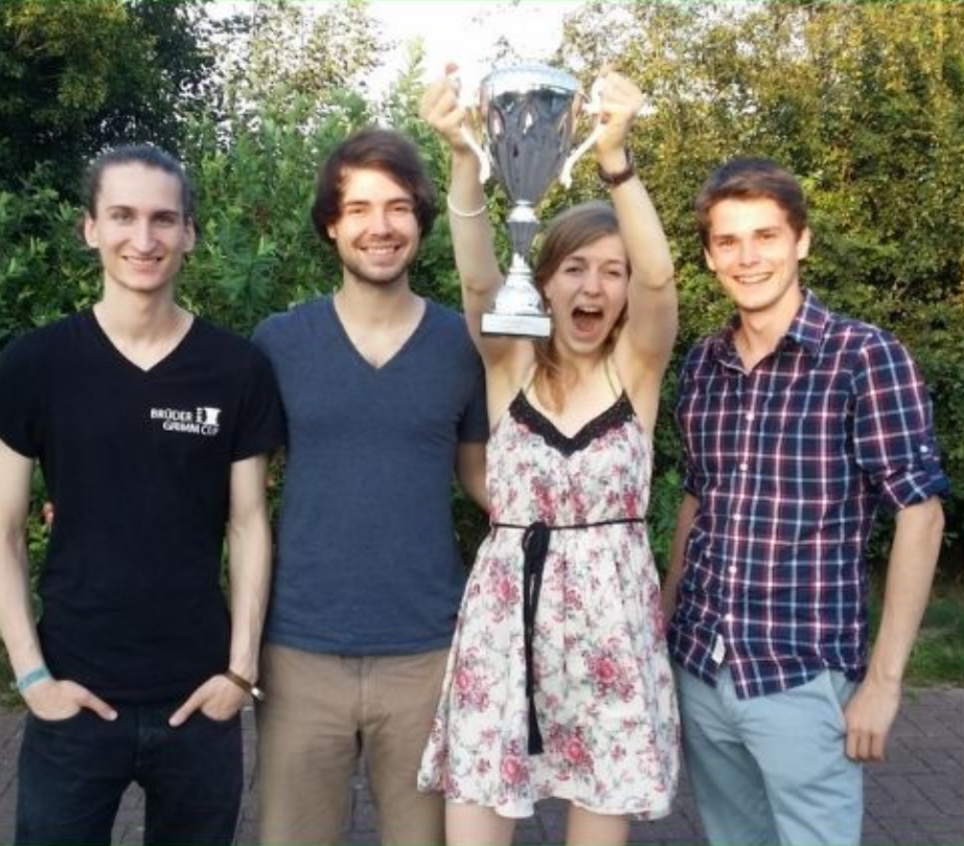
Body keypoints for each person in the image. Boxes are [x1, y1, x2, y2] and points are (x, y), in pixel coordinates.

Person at [0, 144, 283, 846]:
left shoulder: (236, 368)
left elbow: (249, 523)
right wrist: (32, 677)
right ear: (90, 228)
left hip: (199, 700)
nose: (144, 238)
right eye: (122, 216)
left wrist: (240, 671)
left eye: (163, 219)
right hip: (73, 697)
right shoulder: (36, 363)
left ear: (189, 233)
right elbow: (3, 531)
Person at [417, 69, 681, 846]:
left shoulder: (637, 370)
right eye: (575, 268)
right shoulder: (510, 364)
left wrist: (617, 159)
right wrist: (463, 156)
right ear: (544, 280)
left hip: (612, 636)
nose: (594, 286)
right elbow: (476, 278)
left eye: (611, 271)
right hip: (506, 628)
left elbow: (660, 276)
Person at [663, 156, 949, 846]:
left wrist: (884, 683)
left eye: (766, 236)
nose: (748, 257)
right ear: (709, 256)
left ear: (802, 241)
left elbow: (921, 513)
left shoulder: (864, 357)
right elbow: (698, 499)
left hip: (802, 675)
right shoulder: (703, 364)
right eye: (728, 241)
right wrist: (665, 624)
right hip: (702, 665)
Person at [251, 127, 488, 846]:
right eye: (358, 208)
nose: (379, 226)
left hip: (427, 651)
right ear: (331, 223)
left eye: (397, 207)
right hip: (299, 649)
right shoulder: (279, 343)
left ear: (421, 219)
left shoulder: (463, 345)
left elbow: (484, 479)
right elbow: (239, 498)